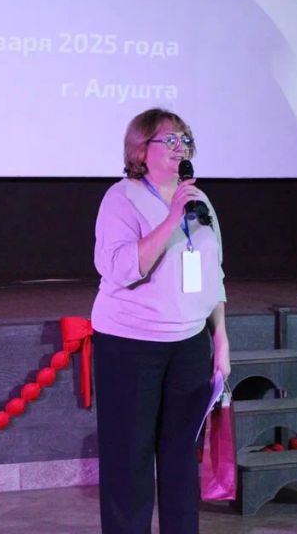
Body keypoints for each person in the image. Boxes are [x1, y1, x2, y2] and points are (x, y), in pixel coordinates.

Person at [91, 107, 231, 533]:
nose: (180, 147)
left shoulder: (199, 200)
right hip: (130, 344)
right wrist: (172, 219)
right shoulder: (121, 198)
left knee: (181, 457)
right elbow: (120, 268)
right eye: (169, 139)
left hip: (188, 343)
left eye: (184, 139)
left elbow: (213, 274)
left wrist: (221, 340)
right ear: (140, 149)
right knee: (129, 459)